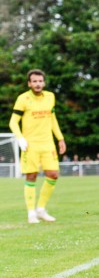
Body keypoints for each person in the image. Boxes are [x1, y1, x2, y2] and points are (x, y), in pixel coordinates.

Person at [8, 69, 66, 223]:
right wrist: (20, 138)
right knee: (31, 176)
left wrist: (60, 138)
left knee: (53, 174)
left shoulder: (50, 97)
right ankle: (31, 213)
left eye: (40, 81)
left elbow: (53, 119)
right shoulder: (23, 99)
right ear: (29, 83)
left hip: (48, 144)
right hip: (31, 145)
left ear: (44, 82)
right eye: (34, 81)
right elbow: (13, 122)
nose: (38, 84)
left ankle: (41, 209)